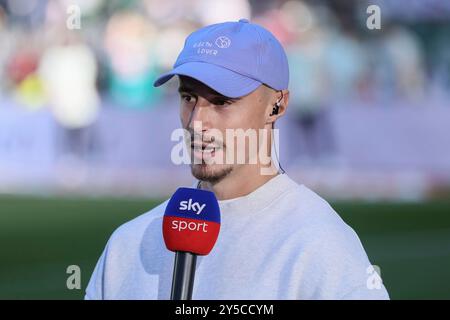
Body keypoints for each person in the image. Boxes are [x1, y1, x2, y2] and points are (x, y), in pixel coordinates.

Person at [85, 19, 389, 300]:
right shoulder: (127, 246)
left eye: (222, 101)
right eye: (188, 97)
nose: (196, 122)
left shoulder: (320, 245)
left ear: (278, 104)